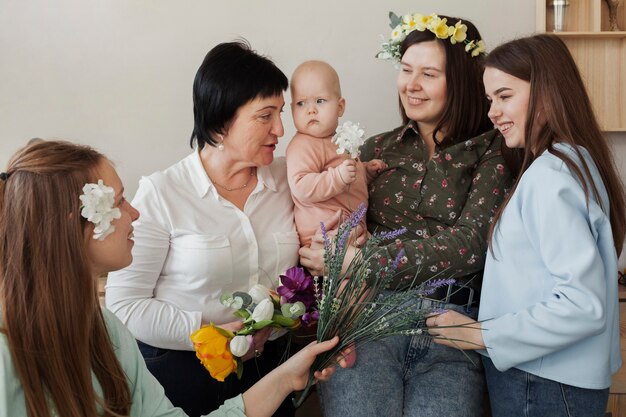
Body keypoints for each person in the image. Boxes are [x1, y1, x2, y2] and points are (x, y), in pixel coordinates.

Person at [0, 140, 342, 417]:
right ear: (76, 223)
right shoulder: (6, 356)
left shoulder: (106, 331)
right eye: (120, 201)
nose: (135, 213)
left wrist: (285, 376)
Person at [301, 13, 517, 417]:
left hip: (451, 328)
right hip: (367, 322)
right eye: (405, 70)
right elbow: (339, 218)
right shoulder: (374, 150)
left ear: (463, 81)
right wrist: (326, 246)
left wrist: (365, 260)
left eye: (428, 74)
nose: (411, 85)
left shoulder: (495, 149)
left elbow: (472, 244)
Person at [426, 34, 626, 417]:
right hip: (550, 379)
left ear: (548, 94)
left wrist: (479, 334)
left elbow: (582, 305)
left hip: (545, 383)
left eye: (505, 96)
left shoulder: (552, 175)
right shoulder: (572, 161)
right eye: (490, 100)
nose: (493, 113)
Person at [105, 41, 301, 417]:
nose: (280, 128)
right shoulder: (162, 192)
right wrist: (210, 333)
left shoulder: (291, 178)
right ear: (220, 121)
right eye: (265, 115)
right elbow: (124, 304)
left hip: (272, 368)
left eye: (280, 113)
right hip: (180, 372)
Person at [286, 60, 386, 247]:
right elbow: (301, 185)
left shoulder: (340, 140)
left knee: (379, 264)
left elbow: (347, 179)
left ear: (340, 107)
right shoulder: (302, 145)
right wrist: (338, 177)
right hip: (323, 235)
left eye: (320, 101)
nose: (311, 110)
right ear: (292, 109)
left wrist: (365, 172)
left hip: (351, 229)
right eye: (301, 103)